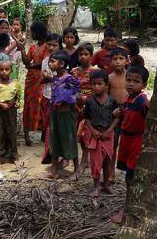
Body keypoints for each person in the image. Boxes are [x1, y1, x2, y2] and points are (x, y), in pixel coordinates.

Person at [83, 69, 119, 197]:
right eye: (94, 84)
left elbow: (116, 118)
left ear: (106, 84)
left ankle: (106, 185)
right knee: (95, 162)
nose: (96, 87)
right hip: (96, 136)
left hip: (108, 136)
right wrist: (93, 131)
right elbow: (86, 118)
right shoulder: (89, 102)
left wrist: (109, 131)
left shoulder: (112, 101)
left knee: (107, 162)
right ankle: (96, 186)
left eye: (100, 84)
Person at [46, 50, 81, 179]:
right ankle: (54, 170)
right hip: (55, 115)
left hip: (66, 115)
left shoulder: (70, 79)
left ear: (61, 64)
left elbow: (76, 93)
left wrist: (63, 100)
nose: (49, 64)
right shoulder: (55, 78)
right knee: (54, 141)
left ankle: (76, 169)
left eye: (52, 61)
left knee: (70, 141)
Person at [116, 66, 150, 187]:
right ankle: (129, 196)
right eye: (128, 80)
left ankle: (132, 197)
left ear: (144, 85)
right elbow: (126, 114)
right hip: (125, 138)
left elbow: (149, 111)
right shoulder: (127, 98)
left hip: (136, 139)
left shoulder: (142, 101)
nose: (131, 84)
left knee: (132, 171)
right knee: (127, 170)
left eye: (136, 81)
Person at [0, 58, 22, 171]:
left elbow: (18, 95)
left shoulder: (15, 83)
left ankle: (14, 155)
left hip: (11, 111)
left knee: (11, 131)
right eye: (1, 70)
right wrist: (1, 104)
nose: (4, 72)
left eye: (6, 69)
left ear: (11, 70)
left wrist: (17, 102)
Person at [23, 22, 50, 146]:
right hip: (31, 80)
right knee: (28, 104)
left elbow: (45, 62)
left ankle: (44, 133)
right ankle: (27, 134)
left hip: (42, 79)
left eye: (33, 31)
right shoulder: (33, 47)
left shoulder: (47, 46)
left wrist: (31, 66)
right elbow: (26, 61)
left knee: (42, 104)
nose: (32, 34)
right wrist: (21, 48)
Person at [39, 33, 63, 163]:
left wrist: (50, 78)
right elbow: (42, 79)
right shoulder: (45, 61)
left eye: (55, 45)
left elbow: (65, 79)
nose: (52, 47)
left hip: (59, 99)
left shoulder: (64, 60)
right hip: (47, 96)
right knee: (48, 126)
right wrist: (46, 78)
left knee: (58, 127)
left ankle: (59, 155)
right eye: (49, 44)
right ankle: (50, 154)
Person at [72, 42, 95, 172]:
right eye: (80, 54)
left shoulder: (96, 71)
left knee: (86, 133)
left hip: (90, 106)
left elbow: (98, 89)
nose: (83, 57)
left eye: (86, 54)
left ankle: (85, 159)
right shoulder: (74, 71)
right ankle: (84, 159)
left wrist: (87, 100)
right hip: (76, 105)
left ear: (91, 55)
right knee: (78, 134)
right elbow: (71, 88)